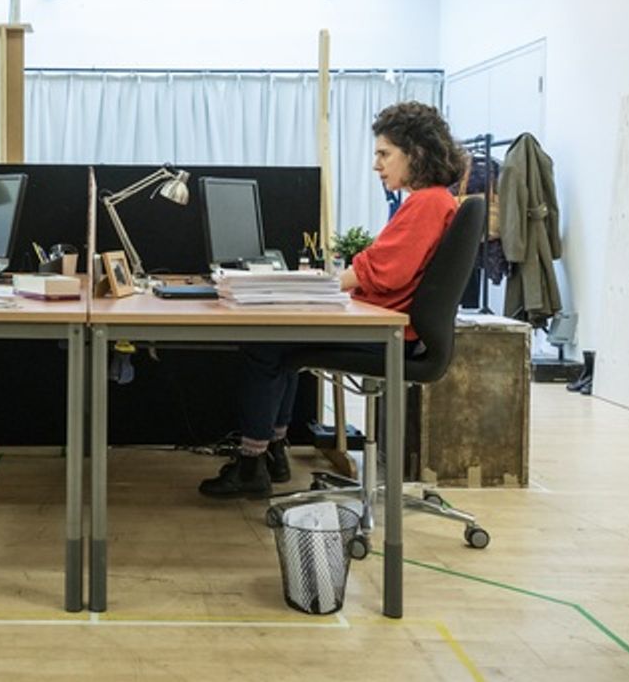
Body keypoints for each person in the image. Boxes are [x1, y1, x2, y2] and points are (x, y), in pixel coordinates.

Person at [199, 101, 466, 499]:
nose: (377, 165)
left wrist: (314, 285)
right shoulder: (433, 200)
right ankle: (272, 451)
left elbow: (384, 270)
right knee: (283, 344)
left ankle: (253, 463)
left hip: (394, 333)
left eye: (384, 154)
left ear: (416, 153)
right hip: (398, 326)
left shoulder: (427, 202)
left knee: (265, 342)